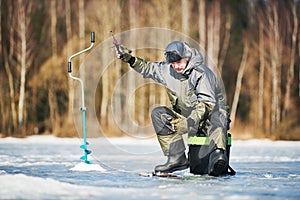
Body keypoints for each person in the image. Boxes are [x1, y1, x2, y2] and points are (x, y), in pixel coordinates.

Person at [115, 41, 230, 176]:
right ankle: (177, 158)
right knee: (159, 114)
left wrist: (188, 123)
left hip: (209, 117)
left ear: (187, 57)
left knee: (218, 116)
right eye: (173, 63)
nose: (176, 66)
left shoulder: (202, 73)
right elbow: (148, 68)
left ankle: (218, 157)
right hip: (186, 117)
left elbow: (207, 105)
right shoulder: (168, 71)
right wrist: (130, 59)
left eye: (179, 62)